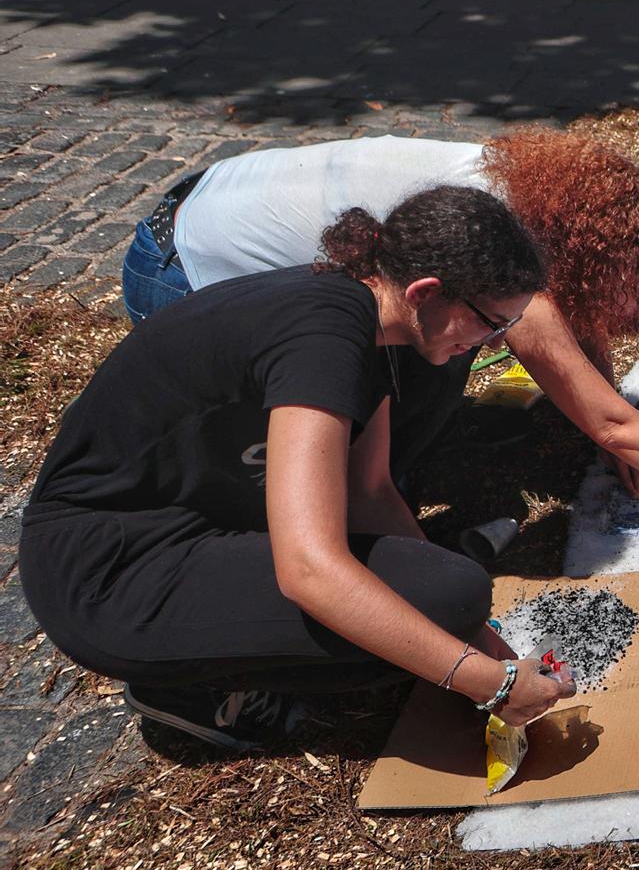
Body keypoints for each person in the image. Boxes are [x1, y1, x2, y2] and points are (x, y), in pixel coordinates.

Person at [21, 187, 579, 751]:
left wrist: (476, 640)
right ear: (426, 291)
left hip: (195, 524)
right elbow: (309, 570)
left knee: (443, 606)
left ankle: (228, 653)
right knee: (444, 598)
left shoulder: (370, 317)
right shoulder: (323, 338)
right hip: (108, 571)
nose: (491, 344)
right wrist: (490, 684)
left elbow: (369, 491)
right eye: (491, 324)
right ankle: (188, 688)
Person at [120, 131, 639, 507]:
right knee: (328, 431)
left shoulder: (512, 185)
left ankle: (381, 474)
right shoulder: (493, 252)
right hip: (181, 272)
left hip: (201, 197)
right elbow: (603, 413)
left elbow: (582, 364)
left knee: (444, 342)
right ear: (579, 248)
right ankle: (374, 489)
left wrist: (608, 420)